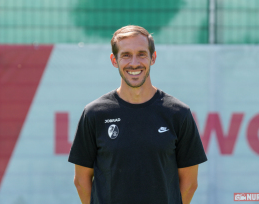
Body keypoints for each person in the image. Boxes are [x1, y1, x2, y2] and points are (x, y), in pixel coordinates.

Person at [68, 25, 207, 204]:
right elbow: (81, 181)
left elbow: (189, 184)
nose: (134, 63)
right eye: (126, 55)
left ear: (153, 58)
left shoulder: (178, 113)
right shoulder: (94, 114)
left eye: (141, 54)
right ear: (114, 60)